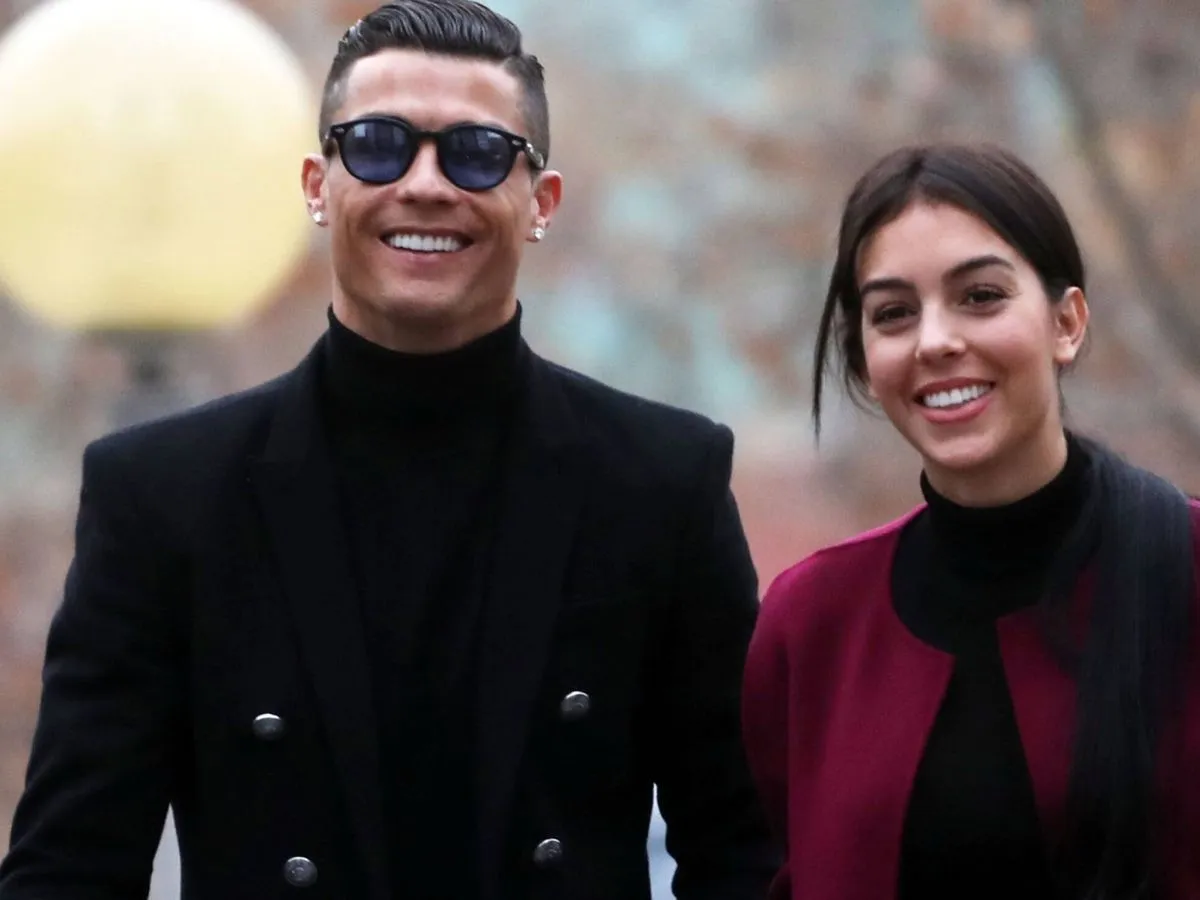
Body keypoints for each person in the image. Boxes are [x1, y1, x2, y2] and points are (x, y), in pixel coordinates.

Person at [0, 2, 777, 898]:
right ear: (317, 186)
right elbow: (71, 869)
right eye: (377, 145)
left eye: (477, 153)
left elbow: (745, 856)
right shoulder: (161, 494)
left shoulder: (664, 481)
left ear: (542, 202)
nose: (425, 183)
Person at [741, 142, 1200, 900]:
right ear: (864, 360)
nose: (936, 341)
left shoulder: (1185, 568)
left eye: (980, 296)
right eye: (893, 313)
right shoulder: (811, 625)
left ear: (1066, 323)